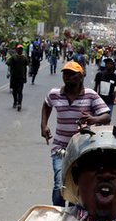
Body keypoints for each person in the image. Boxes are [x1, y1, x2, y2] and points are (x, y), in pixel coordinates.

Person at [40, 61, 110, 206]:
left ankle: (72, 219)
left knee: (77, 188)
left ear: (80, 76)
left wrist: (93, 119)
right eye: (65, 74)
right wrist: (44, 125)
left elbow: (106, 116)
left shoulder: (90, 95)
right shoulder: (54, 94)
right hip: (60, 149)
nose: (67, 77)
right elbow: (47, 104)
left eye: (72, 74)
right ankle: (58, 217)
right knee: (60, 185)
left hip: (83, 150)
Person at [6, 44, 29, 111]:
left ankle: (19, 103)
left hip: (21, 77)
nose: (20, 50)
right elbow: (8, 63)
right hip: (14, 77)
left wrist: (27, 75)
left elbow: (27, 64)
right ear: (17, 50)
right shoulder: (13, 57)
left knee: (20, 91)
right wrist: (9, 72)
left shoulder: (24, 58)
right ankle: (15, 101)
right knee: (14, 91)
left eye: (21, 49)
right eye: (19, 49)